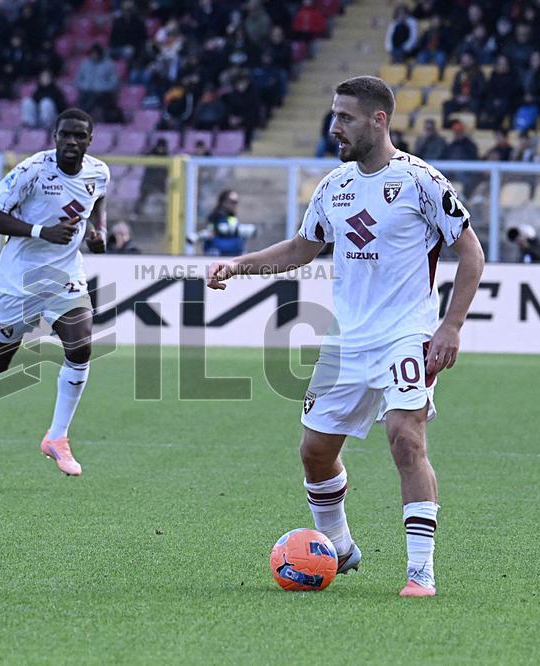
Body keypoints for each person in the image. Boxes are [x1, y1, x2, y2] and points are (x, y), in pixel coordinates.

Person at [207, 76, 485, 598]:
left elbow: (471, 253)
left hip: (406, 336)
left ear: (379, 120)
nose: (334, 127)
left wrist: (450, 326)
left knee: (406, 439)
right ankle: (339, 545)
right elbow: (299, 249)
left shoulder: (421, 181)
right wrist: (238, 266)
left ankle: (419, 572)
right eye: (334, 116)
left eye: (346, 118)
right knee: (314, 452)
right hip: (346, 343)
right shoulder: (333, 186)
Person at [0, 109, 110, 476]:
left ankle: (57, 436)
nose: (71, 141)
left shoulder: (99, 172)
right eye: (65, 134)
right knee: (0, 359)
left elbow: (97, 200)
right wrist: (40, 231)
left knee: (81, 344)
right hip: (19, 280)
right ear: (54, 136)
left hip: (65, 275)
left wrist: (98, 231)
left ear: (89, 140)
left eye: (79, 136)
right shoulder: (33, 170)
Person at [75, 44, 120, 123]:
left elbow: (114, 83)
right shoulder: (85, 64)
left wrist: (102, 88)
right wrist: (85, 86)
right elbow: (77, 80)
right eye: (92, 54)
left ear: (100, 54)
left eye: (95, 54)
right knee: (87, 97)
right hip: (87, 92)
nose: (93, 56)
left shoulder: (109, 64)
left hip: (103, 93)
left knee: (96, 97)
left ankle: (81, 117)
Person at [203, 190, 244, 256]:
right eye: (232, 202)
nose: (235, 205)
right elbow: (211, 238)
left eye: (236, 202)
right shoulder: (215, 218)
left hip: (233, 255)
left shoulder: (232, 218)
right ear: (223, 202)